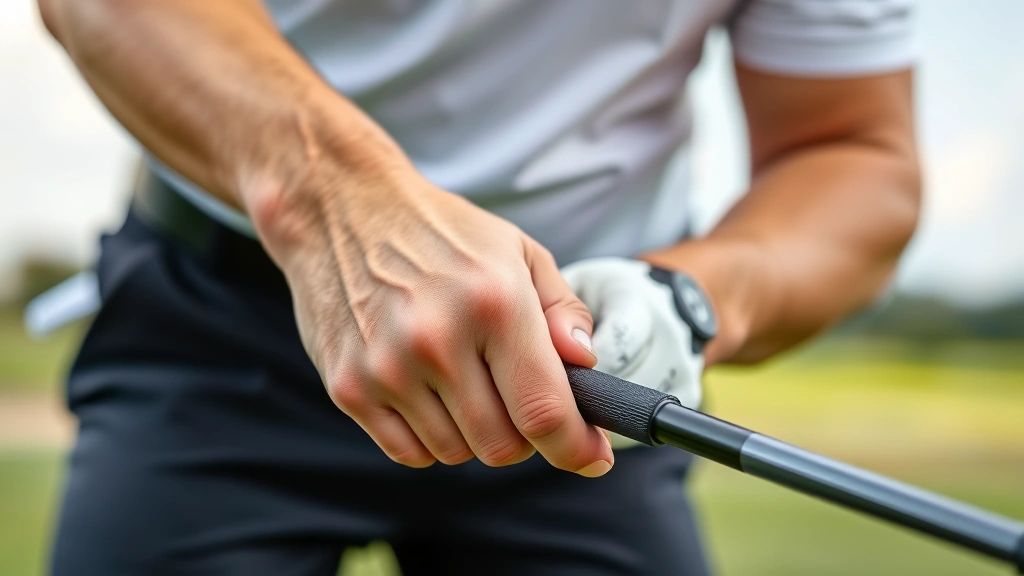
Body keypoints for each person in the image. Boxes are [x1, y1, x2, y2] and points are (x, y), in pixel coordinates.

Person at [39, 1, 920, 574]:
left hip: (582, 378)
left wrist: (686, 302)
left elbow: (852, 153)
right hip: (224, 315)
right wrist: (336, 202)